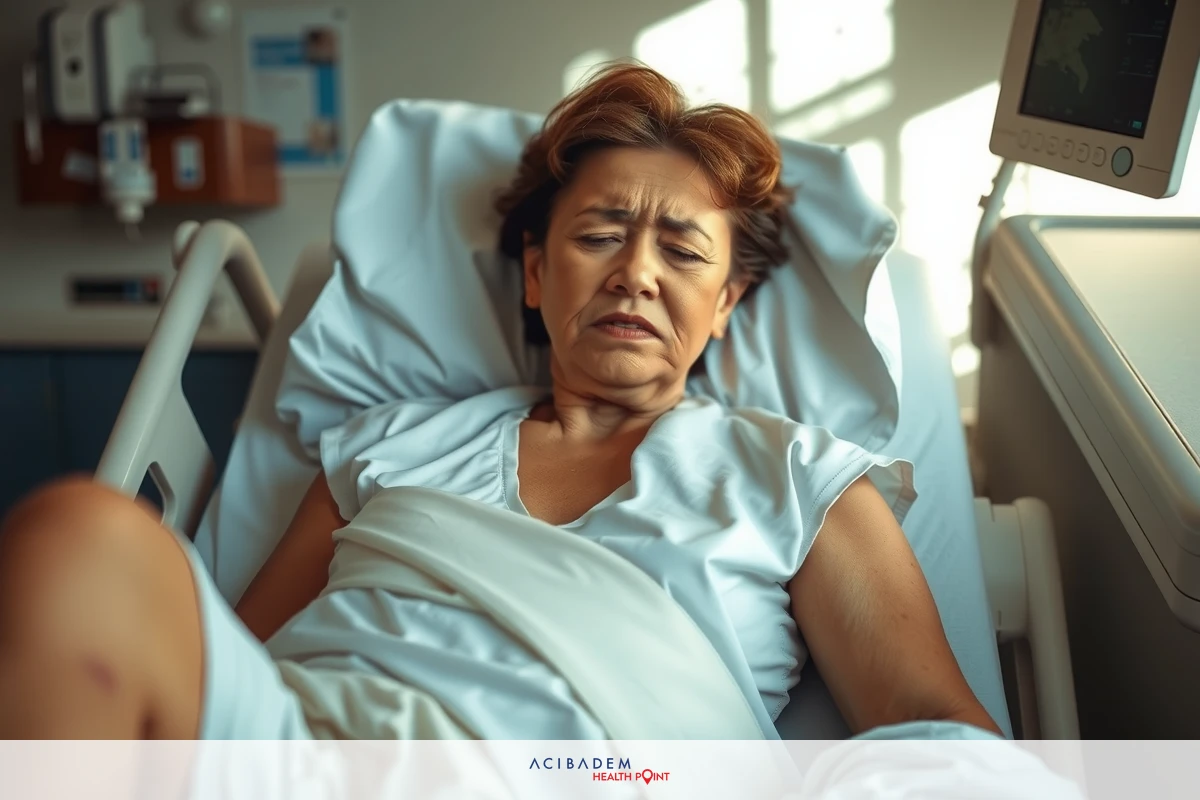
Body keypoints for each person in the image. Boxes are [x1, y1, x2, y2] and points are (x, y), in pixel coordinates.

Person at [0, 63, 1000, 740]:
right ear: (535, 273)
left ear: (726, 305)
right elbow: (234, 656)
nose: (636, 274)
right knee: (83, 534)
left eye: (684, 249)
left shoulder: (799, 478)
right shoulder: (382, 447)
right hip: (310, 751)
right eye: (601, 233)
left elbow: (934, 726)